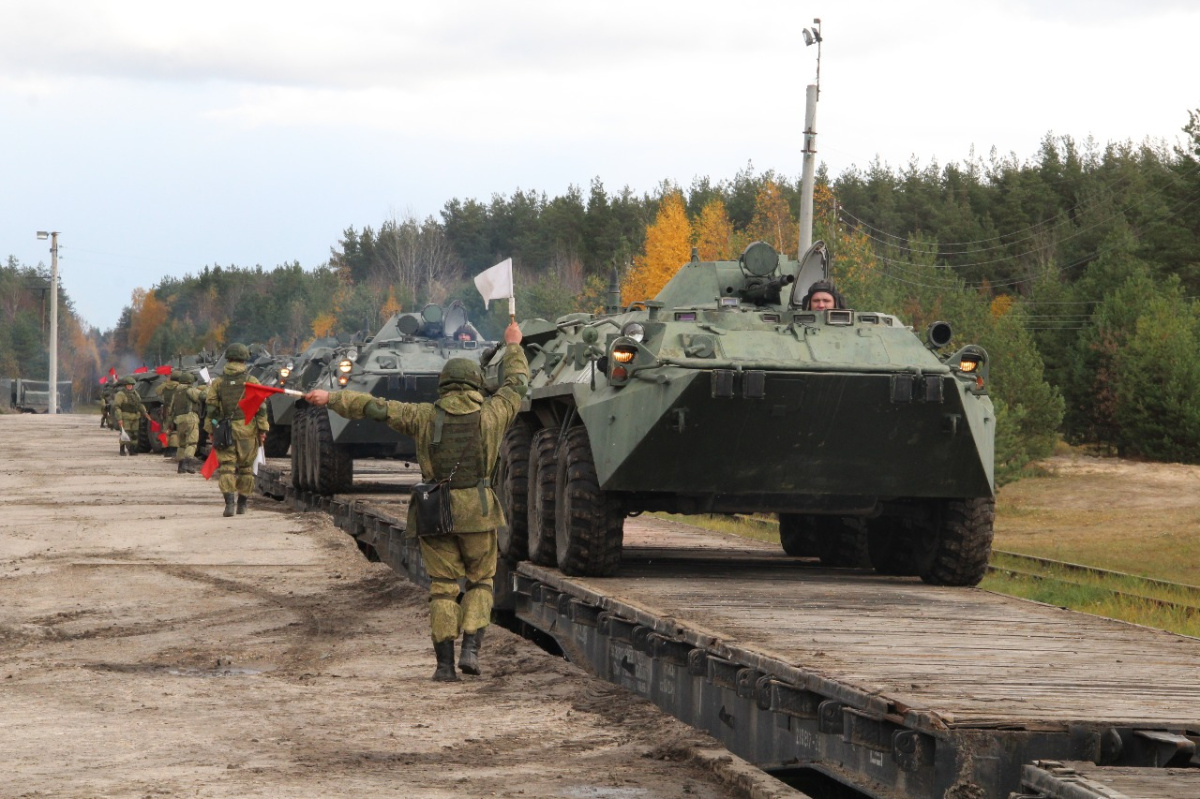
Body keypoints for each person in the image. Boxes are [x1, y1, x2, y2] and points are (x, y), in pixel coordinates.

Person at [304, 321, 528, 682]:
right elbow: (517, 384)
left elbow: (375, 407)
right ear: (475, 384)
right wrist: (513, 346)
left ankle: (443, 667)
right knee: (481, 583)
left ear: (444, 385)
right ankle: (472, 647)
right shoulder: (493, 413)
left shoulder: (423, 417)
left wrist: (331, 398)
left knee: (442, 588)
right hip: (479, 514)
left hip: (434, 513)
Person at [205, 343, 269, 517]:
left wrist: (212, 428)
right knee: (246, 468)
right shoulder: (252, 381)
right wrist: (262, 429)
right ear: (244, 359)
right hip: (248, 429)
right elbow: (261, 407)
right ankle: (242, 505)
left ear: (228, 359)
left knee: (226, 467)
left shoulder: (218, 383)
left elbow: (211, 408)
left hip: (225, 429)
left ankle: (229, 505)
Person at [169, 372, 205, 473]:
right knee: (192, 442)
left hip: (179, 419)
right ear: (190, 381)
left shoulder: (176, 392)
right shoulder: (190, 390)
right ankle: (188, 463)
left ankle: (180, 466)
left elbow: (170, 409)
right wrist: (208, 388)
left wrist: (170, 423)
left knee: (182, 444)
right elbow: (203, 396)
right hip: (190, 418)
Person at [113, 376, 150, 456]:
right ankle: (122, 449)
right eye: (128, 385)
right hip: (125, 416)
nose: (130, 387)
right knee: (125, 433)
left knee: (135, 434)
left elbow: (139, 404)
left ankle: (132, 450)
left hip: (135, 416)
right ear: (125, 385)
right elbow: (117, 407)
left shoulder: (135, 393)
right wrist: (119, 418)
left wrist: (144, 412)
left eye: (131, 385)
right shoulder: (121, 394)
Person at [156, 370, 182, 457]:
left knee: (165, 429)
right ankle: (173, 450)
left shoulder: (165, 385)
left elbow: (157, 391)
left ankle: (165, 449)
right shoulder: (179, 386)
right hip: (176, 410)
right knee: (175, 430)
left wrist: (166, 382)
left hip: (166, 410)